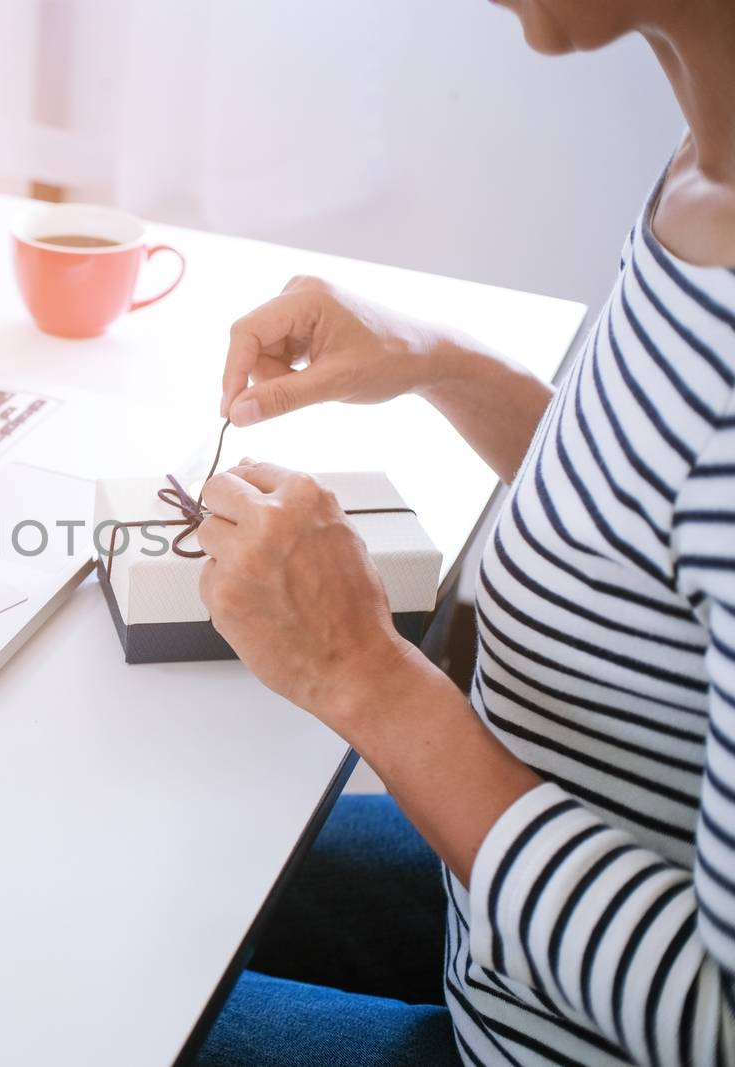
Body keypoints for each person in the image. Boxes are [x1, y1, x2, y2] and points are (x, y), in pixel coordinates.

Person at [193, 1, 735, 1064]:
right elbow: (656, 544)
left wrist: (364, 676)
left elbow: (715, 1020)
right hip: (508, 933)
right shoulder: (704, 166)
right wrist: (444, 363)